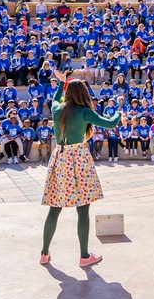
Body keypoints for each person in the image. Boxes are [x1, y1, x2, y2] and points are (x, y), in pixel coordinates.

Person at [41, 69, 121, 268]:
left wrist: (61, 83)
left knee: (54, 207)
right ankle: (84, 256)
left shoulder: (57, 109)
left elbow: (55, 98)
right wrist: (119, 109)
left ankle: (44, 253)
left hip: (59, 157)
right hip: (78, 158)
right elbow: (111, 123)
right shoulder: (85, 112)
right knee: (82, 208)